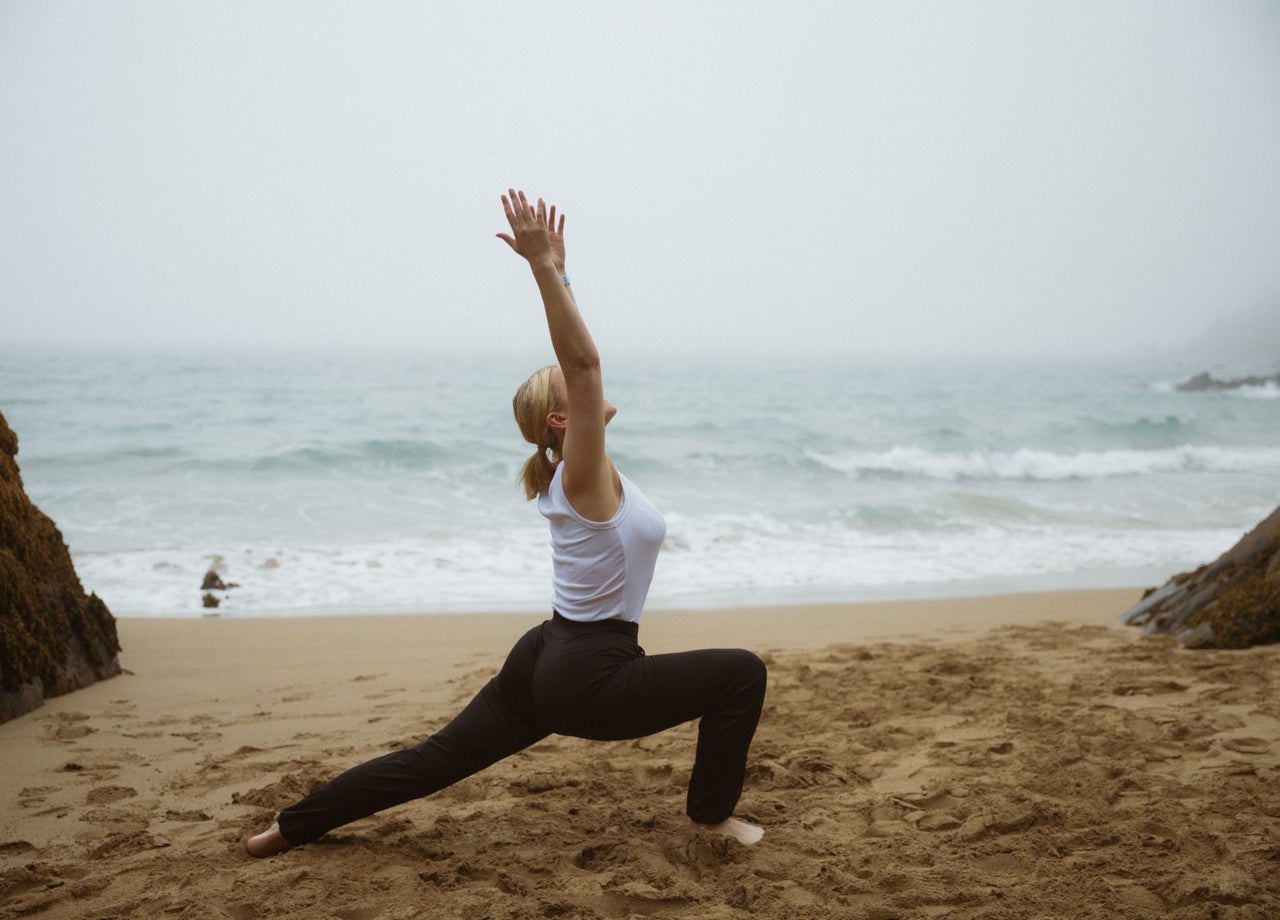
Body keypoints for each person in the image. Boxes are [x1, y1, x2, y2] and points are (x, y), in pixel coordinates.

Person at [245, 190, 767, 858]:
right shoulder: (580, 475)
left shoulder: (575, 472)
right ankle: (713, 819)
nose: (584, 385)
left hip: (545, 654)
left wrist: (565, 273)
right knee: (742, 673)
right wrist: (540, 268)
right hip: (588, 673)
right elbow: (583, 363)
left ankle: (289, 827)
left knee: (433, 761)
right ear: (562, 420)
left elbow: (577, 363)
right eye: (570, 391)